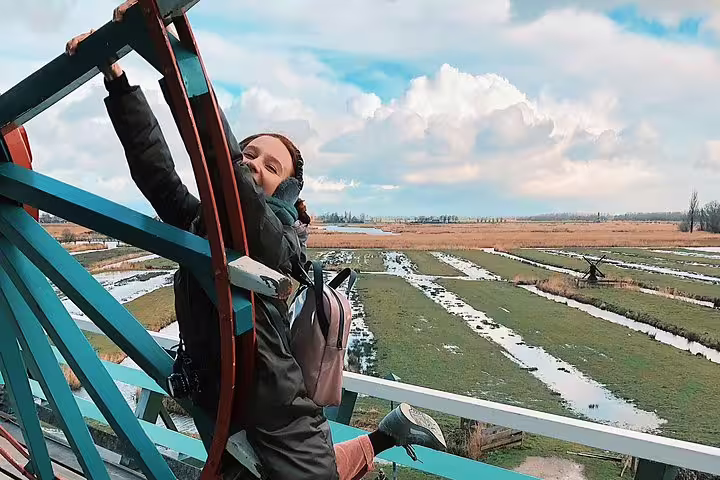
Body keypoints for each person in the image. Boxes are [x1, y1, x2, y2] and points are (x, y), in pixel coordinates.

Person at [66, 6, 446, 479]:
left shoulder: (280, 240)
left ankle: (385, 434)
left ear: (286, 191)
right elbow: (156, 171)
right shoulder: (200, 221)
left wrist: (169, 53)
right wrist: (118, 78)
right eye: (249, 154)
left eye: (272, 167)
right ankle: (388, 433)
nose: (254, 166)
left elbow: (230, 181)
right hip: (217, 388)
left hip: (275, 408)